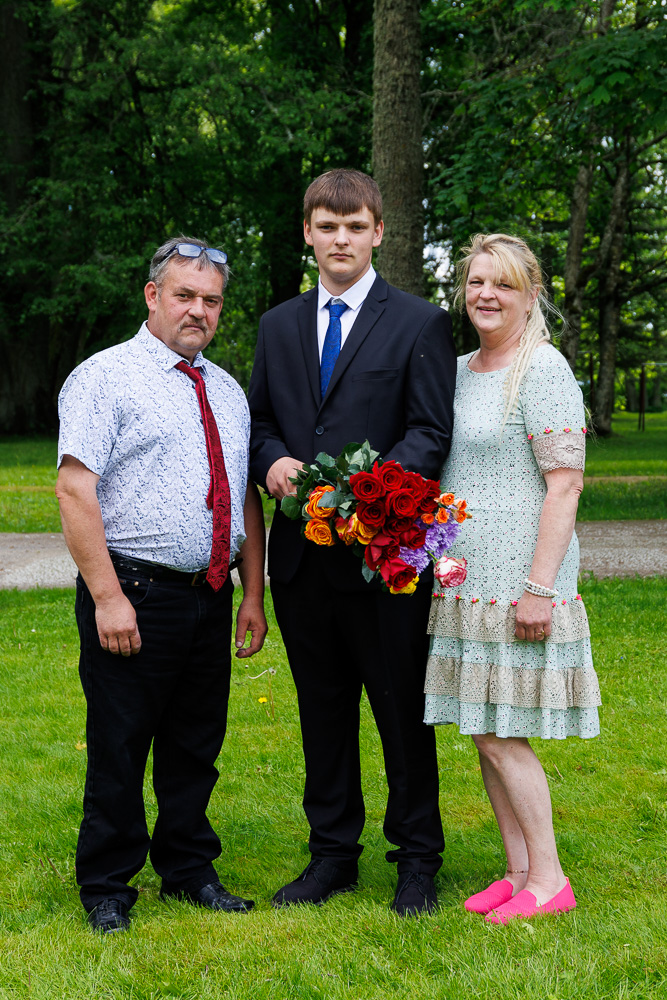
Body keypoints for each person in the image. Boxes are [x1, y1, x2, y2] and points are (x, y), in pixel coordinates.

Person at [248, 169, 456, 915]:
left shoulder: (420, 323)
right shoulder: (277, 325)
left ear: (378, 232)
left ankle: (417, 860)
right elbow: (260, 422)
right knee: (322, 710)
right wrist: (271, 460)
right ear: (307, 233)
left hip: (383, 560)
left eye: (355, 226)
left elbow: (429, 431)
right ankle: (332, 856)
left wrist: (368, 494)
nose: (341, 239)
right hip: (300, 562)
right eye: (327, 226)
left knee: (400, 710)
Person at [56, 236, 268, 934]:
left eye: (211, 301)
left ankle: (188, 869)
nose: (198, 310)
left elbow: (243, 496)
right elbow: (74, 489)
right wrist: (108, 596)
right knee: (119, 745)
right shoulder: (104, 377)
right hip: (134, 592)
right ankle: (106, 886)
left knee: (195, 745)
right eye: (184, 296)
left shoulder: (227, 391)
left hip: (210, 595)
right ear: (153, 296)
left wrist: (252, 594)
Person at [424, 233, 601, 924]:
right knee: (482, 725)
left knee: (504, 733)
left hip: (518, 581)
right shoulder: (459, 369)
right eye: (476, 282)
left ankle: (550, 879)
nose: (486, 295)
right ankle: (518, 869)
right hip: (464, 578)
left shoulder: (543, 368)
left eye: (502, 284)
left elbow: (565, 484)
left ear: (531, 295)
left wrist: (539, 589)